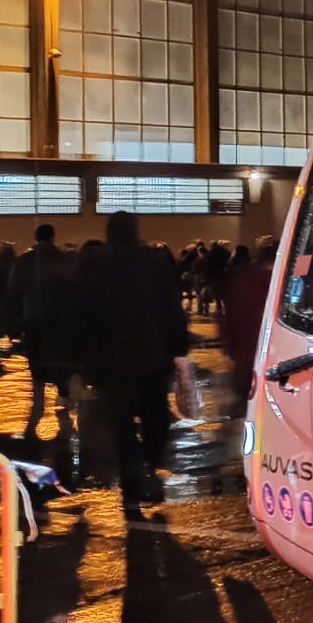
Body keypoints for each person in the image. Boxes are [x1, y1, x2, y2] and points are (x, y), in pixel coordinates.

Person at [82, 212, 189, 520]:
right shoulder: (153, 262)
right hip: (151, 358)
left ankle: (131, 490)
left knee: (122, 428)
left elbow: (81, 314)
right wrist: (178, 348)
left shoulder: (94, 265)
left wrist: (82, 360)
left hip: (111, 362)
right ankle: (150, 465)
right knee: (157, 421)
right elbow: (172, 307)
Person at [9, 223, 75, 452]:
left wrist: (16, 322)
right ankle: (63, 402)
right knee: (62, 362)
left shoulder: (24, 261)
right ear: (53, 237)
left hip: (34, 321)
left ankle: (37, 411)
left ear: (35, 237)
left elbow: (14, 291)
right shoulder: (64, 260)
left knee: (37, 366)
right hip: (61, 322)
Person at [219, 236, 277, 422]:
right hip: (272, 353)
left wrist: (229, 342)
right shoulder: (281, 282)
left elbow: (230, 314)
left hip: (245, 352)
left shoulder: (243, 280)